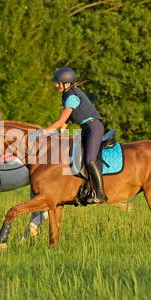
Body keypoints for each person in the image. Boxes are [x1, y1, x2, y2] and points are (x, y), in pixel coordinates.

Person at [43, 67, 108, 203]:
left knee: (89, 159)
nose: (56, 85)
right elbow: (67, 120)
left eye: (59, 83)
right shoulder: (67, 95)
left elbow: (61, 120)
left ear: (68, 83)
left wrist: (44, 131)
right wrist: (60, 133)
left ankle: (101, 194)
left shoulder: (72, 96)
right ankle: (86, 188)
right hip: (86, 129)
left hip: (93, 128)